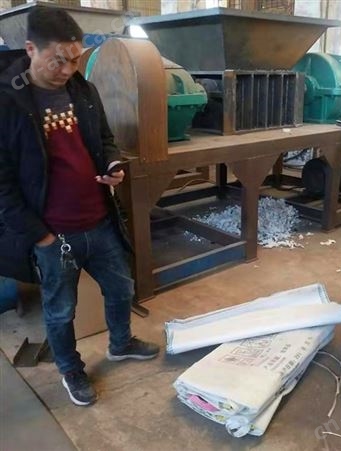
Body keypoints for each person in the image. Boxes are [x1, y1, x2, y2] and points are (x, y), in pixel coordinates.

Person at [0, 7, 160, 405]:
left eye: (75, 59)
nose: (68, 69)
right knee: (60, 311)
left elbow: (104, 140)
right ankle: (71, 369)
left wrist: (113, 166)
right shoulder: (8, 102)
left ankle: (120, 343)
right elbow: (2, 186)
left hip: (99, 220)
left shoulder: (82, 90)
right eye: (58, 60)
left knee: (121, 289)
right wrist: (41, 236)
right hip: (54, 232)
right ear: (31, 49)